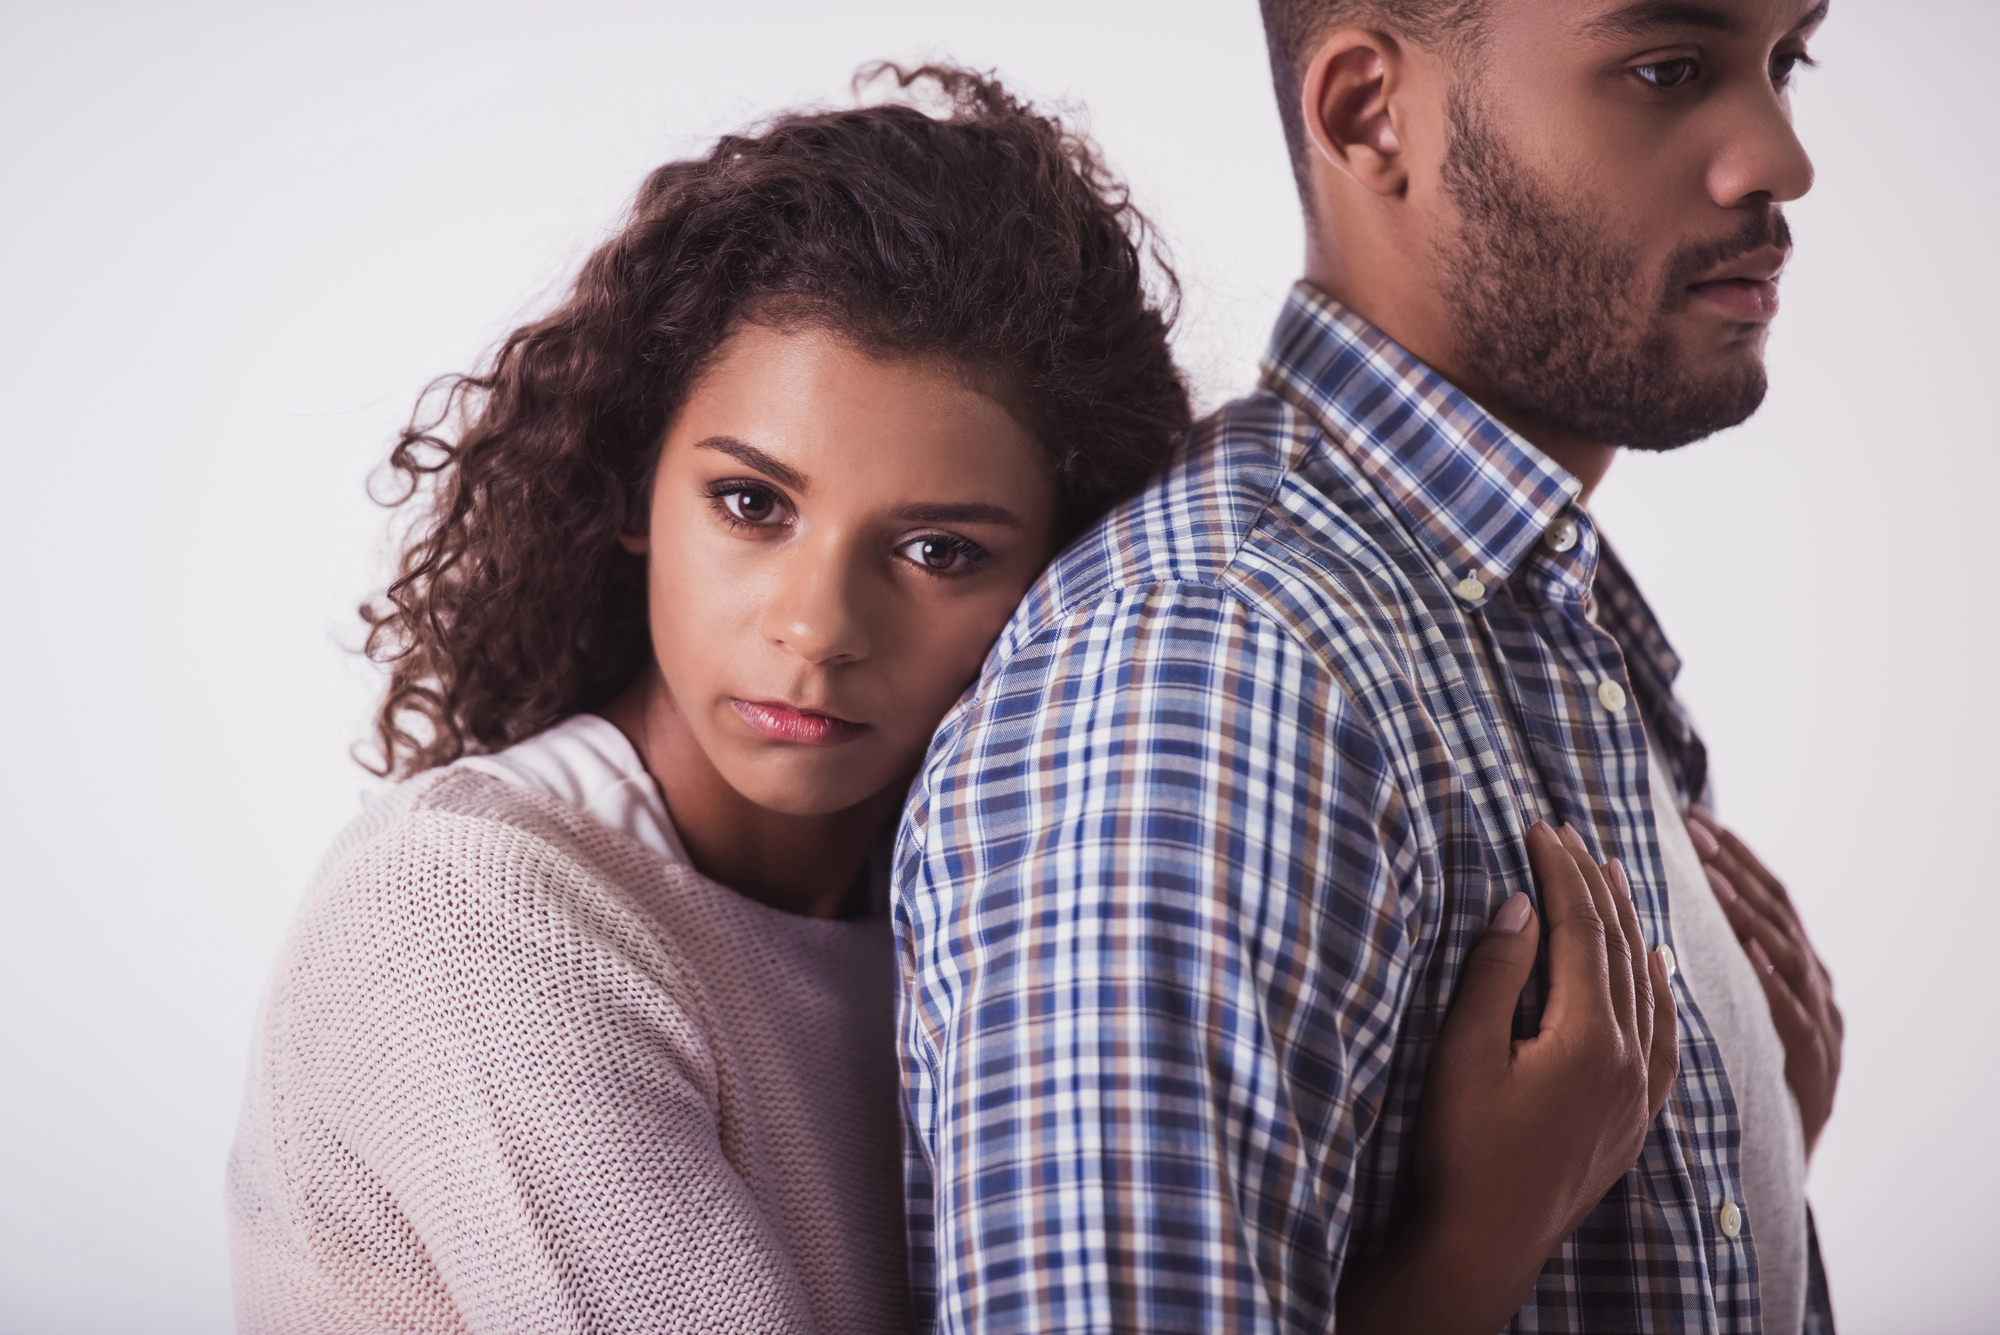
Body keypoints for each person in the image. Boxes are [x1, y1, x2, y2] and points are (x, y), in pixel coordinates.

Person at [893, 2, 1844, 1332]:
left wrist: (1747, 1146)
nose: (1778, 157)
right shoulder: (1220, 667)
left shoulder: (1544, 615)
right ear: (1366, 114)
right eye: (1667, 69)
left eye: (1784, 61)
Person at [222, 66, 1195, 1334]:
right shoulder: (467, 916)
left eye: (939, 550)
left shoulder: (984, 918)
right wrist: (1463, 1255)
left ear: (1060, 579)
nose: (816, 628)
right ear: (633, 489)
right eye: (751, 504)